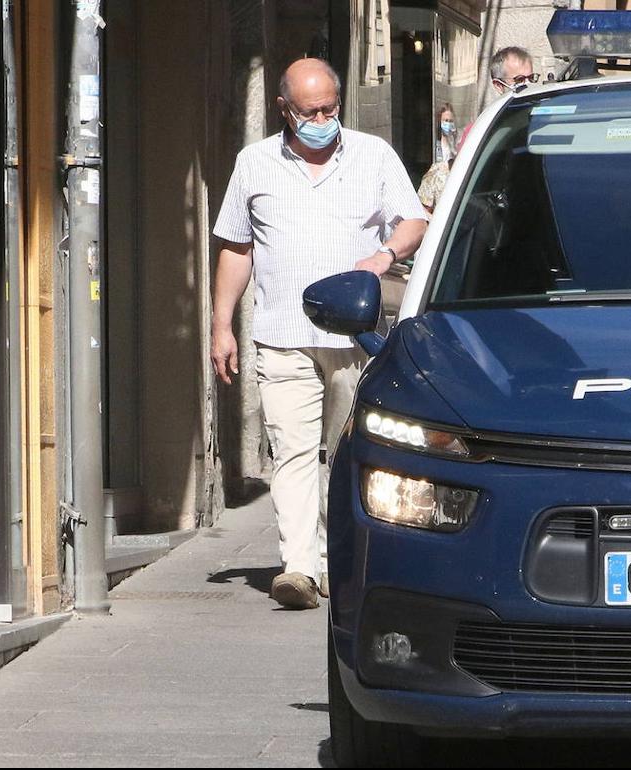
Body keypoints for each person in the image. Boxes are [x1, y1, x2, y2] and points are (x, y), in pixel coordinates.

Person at [210, 58, 429, 610]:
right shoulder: (254, 164)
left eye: (332, 107)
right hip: (282, 333)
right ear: (285, 110)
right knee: (292, 451)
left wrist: (383, 255)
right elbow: (236, 248)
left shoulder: (372, 155)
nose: (324, 117)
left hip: (355, 340)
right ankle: (299, 567)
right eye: (312, 111)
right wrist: (221, 325)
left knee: (345, 451)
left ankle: (335, 559)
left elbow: (414, 220)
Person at [456, 47, 538, 155]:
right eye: (520, 79)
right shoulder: (479, 131)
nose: (527, 85)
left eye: (531, 78)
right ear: (498, 85)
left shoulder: (546, 118)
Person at [418, 104, 457, 214]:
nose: (448, 124)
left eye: (450, 121)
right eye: (445, 120)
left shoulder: (457, 146)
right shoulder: (434, 146)